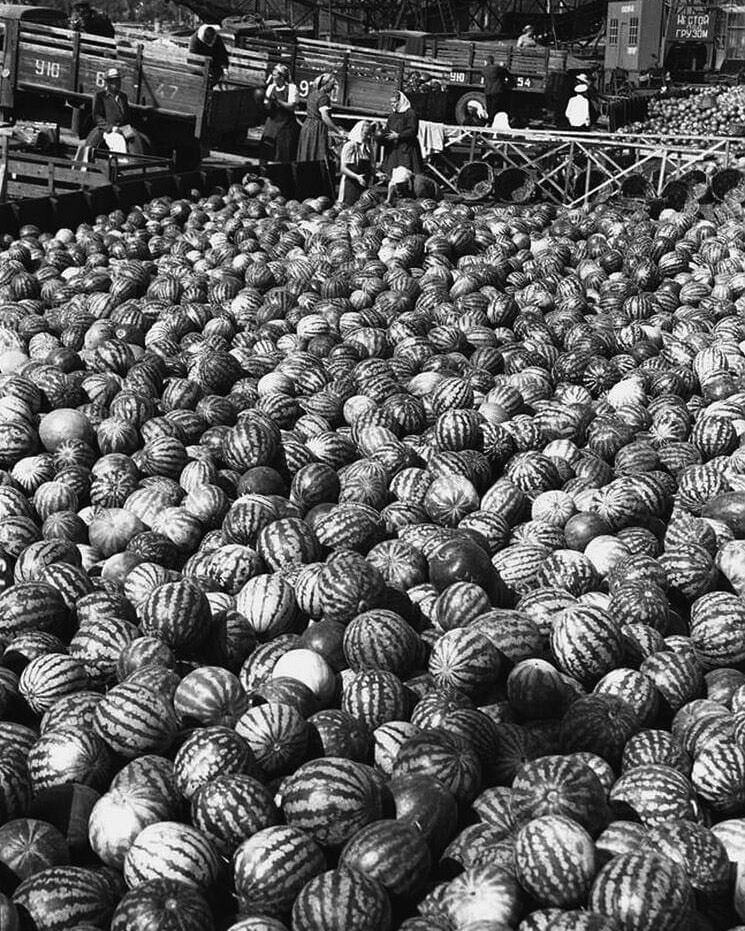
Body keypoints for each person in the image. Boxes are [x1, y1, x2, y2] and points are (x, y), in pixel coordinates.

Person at [79, 68, 144, 157]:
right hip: (108, 129)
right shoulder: (100, 96)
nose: (118, 84)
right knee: (118, 143)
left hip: (123, 128)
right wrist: (111, 128)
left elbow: (126, 116)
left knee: (135, 141)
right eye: (114, 81)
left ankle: (134, 163)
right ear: (108, 83)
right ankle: (115, 164)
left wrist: (127, 129)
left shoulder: (123, 97)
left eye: (118, 81)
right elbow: (97, 116)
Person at [296, 73, 346, 163]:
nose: (332, 87)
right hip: (317, 128)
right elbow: (325, 117)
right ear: (326, 84)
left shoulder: (312, 94)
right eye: (332, 84)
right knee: (317, 154)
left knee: (306, 152)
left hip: (307, 125)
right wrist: (338, 130)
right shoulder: (324, 97)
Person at [261, 64, 299, 163]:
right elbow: (267, 106)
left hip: (285, 125)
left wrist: (278, 101)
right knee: (267, 151)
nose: (272, 77)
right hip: (272, 123)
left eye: (275, 75)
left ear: (282, 76)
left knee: (283, 153)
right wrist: (267, 103)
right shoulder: (271, 88)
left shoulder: (291, 88)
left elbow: (291, 106)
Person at [380, 92, 423, 177]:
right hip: (394, 149)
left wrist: (399, 135)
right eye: (391, 102)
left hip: (407, 149)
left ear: (401, 101)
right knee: (392, 174)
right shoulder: (392, 116)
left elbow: (413, 130)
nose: (393, 104)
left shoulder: (410, 113)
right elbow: (388, 129)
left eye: (395, 102)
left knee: (406, 175)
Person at [337, 120, 374, 205]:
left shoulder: (368, 148)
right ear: (359, 132)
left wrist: (378, 174)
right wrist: (357, 177)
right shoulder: (350, 146)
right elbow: (343, 169)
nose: (368, 137)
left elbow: (370, 168)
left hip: (364, 186)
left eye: (369, 134)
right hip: (350, 185)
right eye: (366, 133)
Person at [482, 54, 513, 123]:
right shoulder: (497, 68)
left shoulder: (484, 69)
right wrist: (502, 66)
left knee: (489, 108)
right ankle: (493, 121)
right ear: (493, 61)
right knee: (495, 108)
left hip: (487, 91)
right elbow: (505, 72)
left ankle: (489, 121)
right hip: (496, 91)